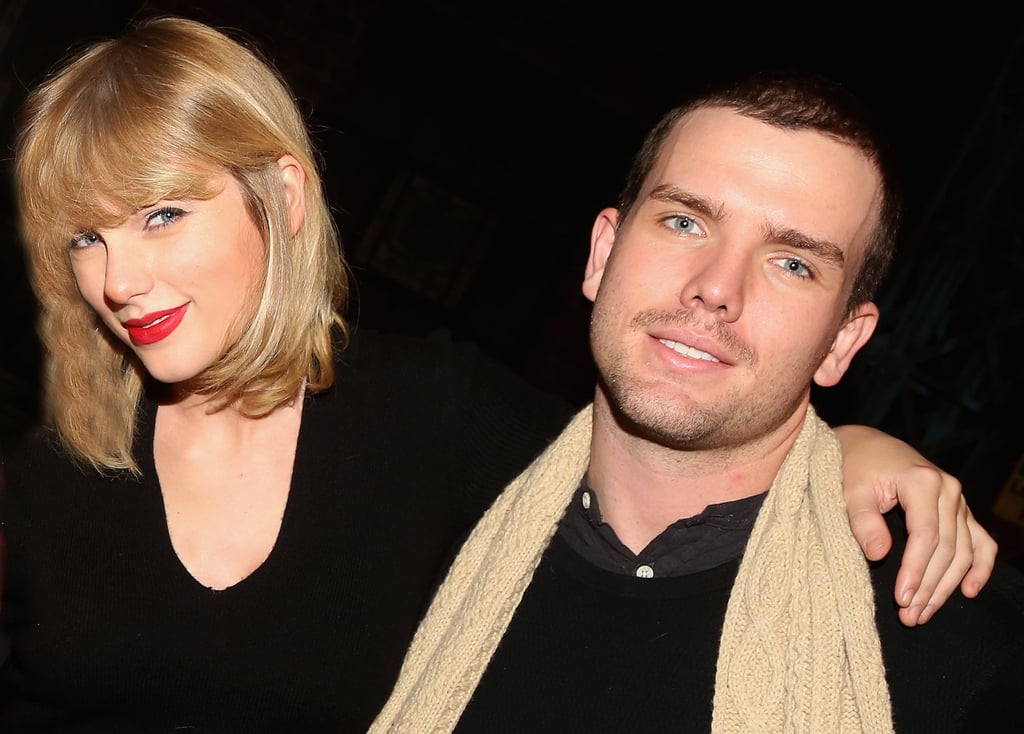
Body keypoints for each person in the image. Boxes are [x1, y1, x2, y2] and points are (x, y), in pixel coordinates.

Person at [0, 16, 1000, 733]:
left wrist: (849, 449)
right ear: (604, 250)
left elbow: (659, 455)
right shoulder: (47, 471)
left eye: (163, 212)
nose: (120, 275)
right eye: (85, 235)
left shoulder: (445, 421)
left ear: (282, 196)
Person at [369, 71, 1024, 733]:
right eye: (685, 222)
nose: (717, 288)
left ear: (841, 343)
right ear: (602, 253)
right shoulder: (411, 483)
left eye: (793, 263)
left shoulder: (963, 643)